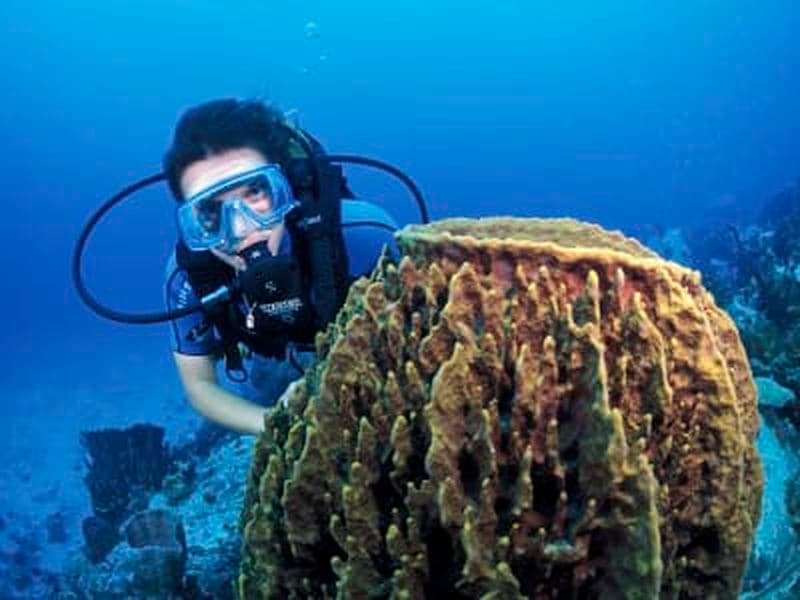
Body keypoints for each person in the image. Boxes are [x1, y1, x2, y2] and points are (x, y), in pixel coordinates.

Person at [161, 98, 398, 434]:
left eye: (255, 192)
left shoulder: (365, 234)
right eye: (211, 212)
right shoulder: (186, 277)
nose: (241, 228)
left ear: (284, 187)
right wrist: (277, 423)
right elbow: (200, 387)